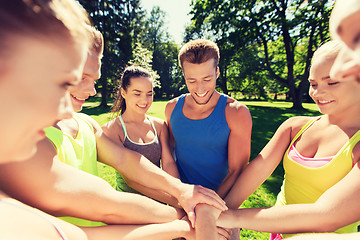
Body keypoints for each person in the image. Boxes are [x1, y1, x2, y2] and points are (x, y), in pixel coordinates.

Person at [0, 0, 208, 239]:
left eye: (93, 79)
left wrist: (181, 192)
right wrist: (183, 220)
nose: (91, 91)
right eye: (66, 81)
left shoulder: (85, 124)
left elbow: (127, 161)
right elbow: (106, 207)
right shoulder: (23, 147)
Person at [210, 0, 360, 239]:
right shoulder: (294, 127)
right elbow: (256, 171)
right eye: (313, 84)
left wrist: (231, 218)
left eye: (331, 82)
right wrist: (220, 211)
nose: (317, 93)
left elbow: (325, 217)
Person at [165, 39, 252, 239]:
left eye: (207, 78)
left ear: (217, 73)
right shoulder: (172, 109)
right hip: (180, 209)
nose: (200, 88)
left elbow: (237, 171)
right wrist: (184, 204)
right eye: (192, 80)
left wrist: (207, 213)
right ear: (184, 76)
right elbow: (170, 159)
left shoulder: (236, 113)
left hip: (222, 208)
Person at [101, 65, 181, 205]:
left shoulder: (159, 126)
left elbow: (168, 163)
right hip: (129, 207)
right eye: (137, 94)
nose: (144, 100)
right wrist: (176, 201)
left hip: (162, 205)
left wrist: (179, 193)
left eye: (149, 94)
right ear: (123, 93)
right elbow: (131, 179)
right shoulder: (112, 130)